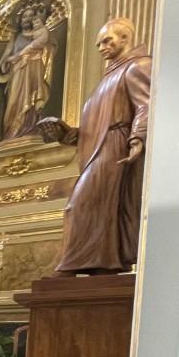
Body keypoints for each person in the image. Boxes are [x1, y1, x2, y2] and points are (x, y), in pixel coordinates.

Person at [38, 18, 151, 274]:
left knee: (80, 205)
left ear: (124, 39)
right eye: (99, 43)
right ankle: (101, 264)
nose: (101, 47)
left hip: (116, 146)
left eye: (107, 40)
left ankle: (70, 266)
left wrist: (137, 138)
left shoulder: (137, 66)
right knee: (94, 206)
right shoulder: (109, 77)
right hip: (100, 145)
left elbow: (146, 104)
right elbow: (96, 125)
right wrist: (68, 132)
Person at [0, 4, 54, 143]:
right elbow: (7, 54)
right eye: (24, 16)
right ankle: (12, 132)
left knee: (32, 98)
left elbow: (50, 49)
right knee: (14, 100)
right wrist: (4, 63)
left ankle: (31, 128)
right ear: (20, 19)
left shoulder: (40, 34)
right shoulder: (15, 37)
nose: (27, 19)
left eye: (30, 16)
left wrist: (40, 52)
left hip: (34, 69)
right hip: (18, 71)